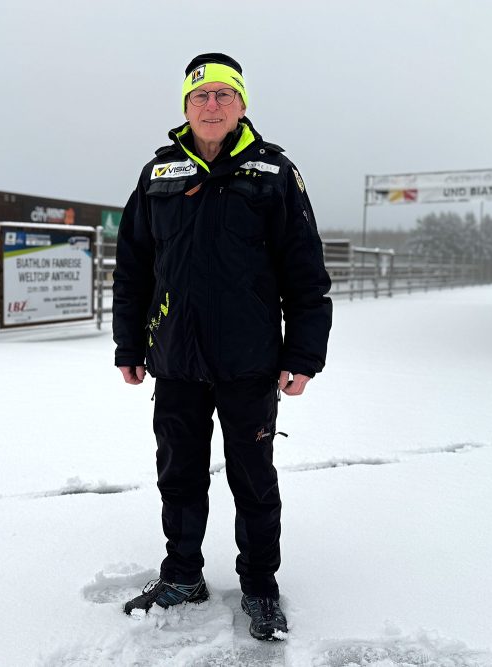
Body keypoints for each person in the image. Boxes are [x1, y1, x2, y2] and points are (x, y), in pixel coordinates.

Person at [112, 53, 333, 641]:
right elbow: (132, 266)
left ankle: (260, 585)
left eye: (224, 95)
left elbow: (306, 274)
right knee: (178, 474)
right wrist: (128, 344)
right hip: (176, 360)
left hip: (249, 361)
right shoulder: (159, 174)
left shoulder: (273, 173)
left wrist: (303, 355)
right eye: (200, 95)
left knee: (252, 478)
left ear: (241, 105)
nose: (212, 105)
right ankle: (183, 575)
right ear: (185, 107)